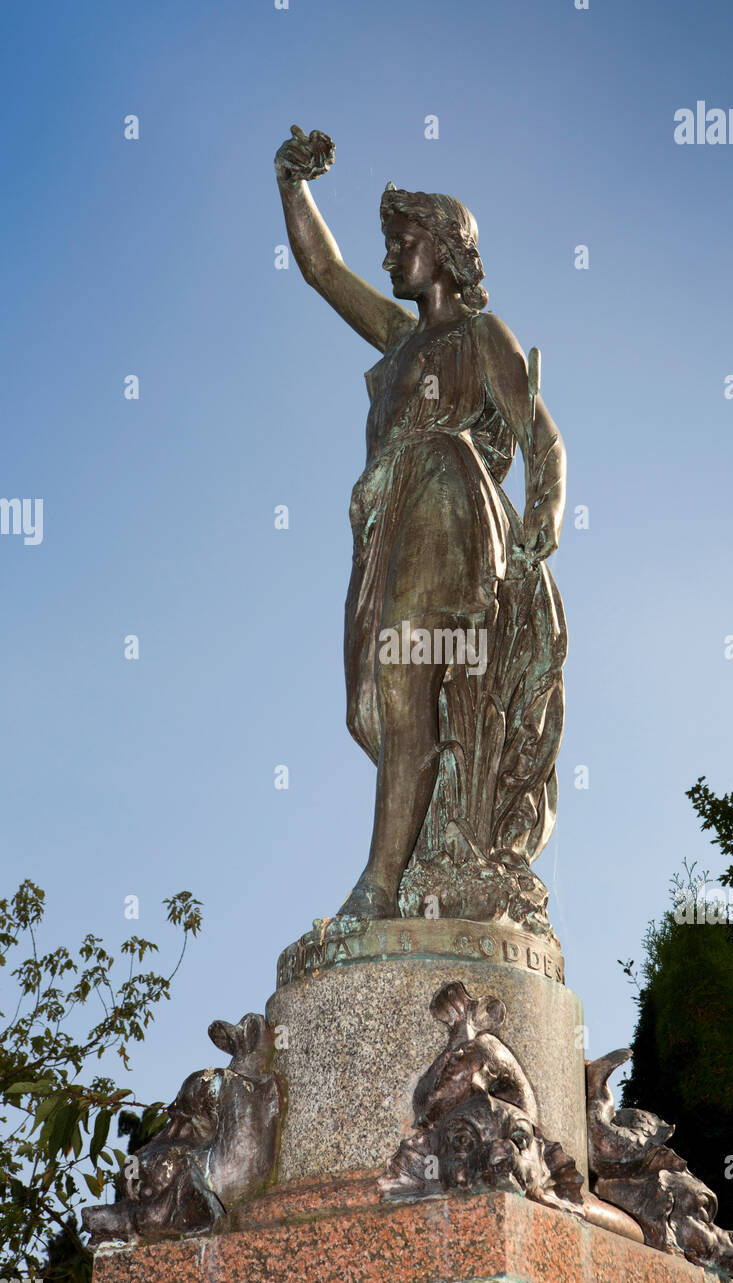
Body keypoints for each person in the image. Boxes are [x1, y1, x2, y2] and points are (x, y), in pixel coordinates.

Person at [275, 127, 566, 920]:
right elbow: (322, 270)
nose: (391, 258)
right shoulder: (403, 340)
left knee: (405, 685)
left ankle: (378, 885)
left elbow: (541, 435)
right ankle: (408, 870)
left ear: (444, 249)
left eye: (403, 243)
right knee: (379, 699)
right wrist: (291, 184)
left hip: (448, 501)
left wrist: (546, 514)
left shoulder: (480, 334)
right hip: (390, 520)